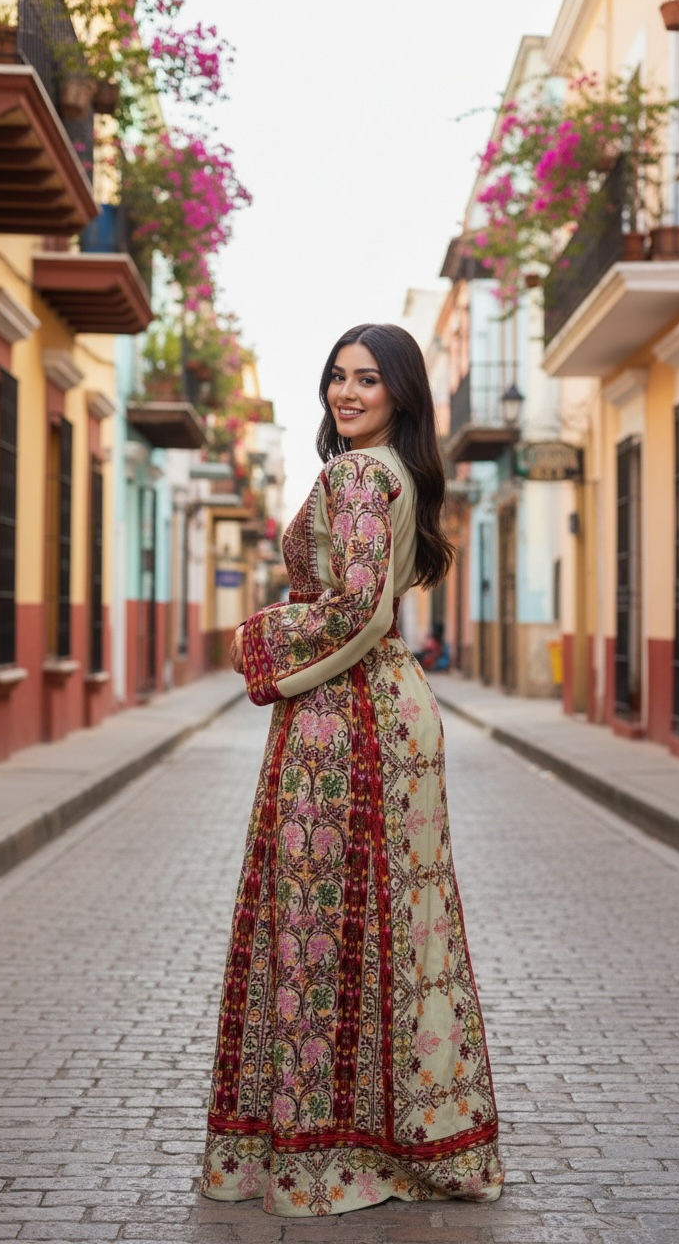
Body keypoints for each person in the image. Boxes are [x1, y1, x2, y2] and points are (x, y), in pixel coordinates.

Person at [201, 323, 504, 1216]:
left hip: (348, 722)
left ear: (401, 394)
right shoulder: (396, 474)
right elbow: (378, 612)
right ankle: (408, 1141)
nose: (347, 393)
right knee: (392, 935)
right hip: (387, 710)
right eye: (338, 377)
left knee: (319, 934)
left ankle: (332, 1156)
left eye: (368, 380)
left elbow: (360, 612)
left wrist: (258, 641)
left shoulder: (360, 474)